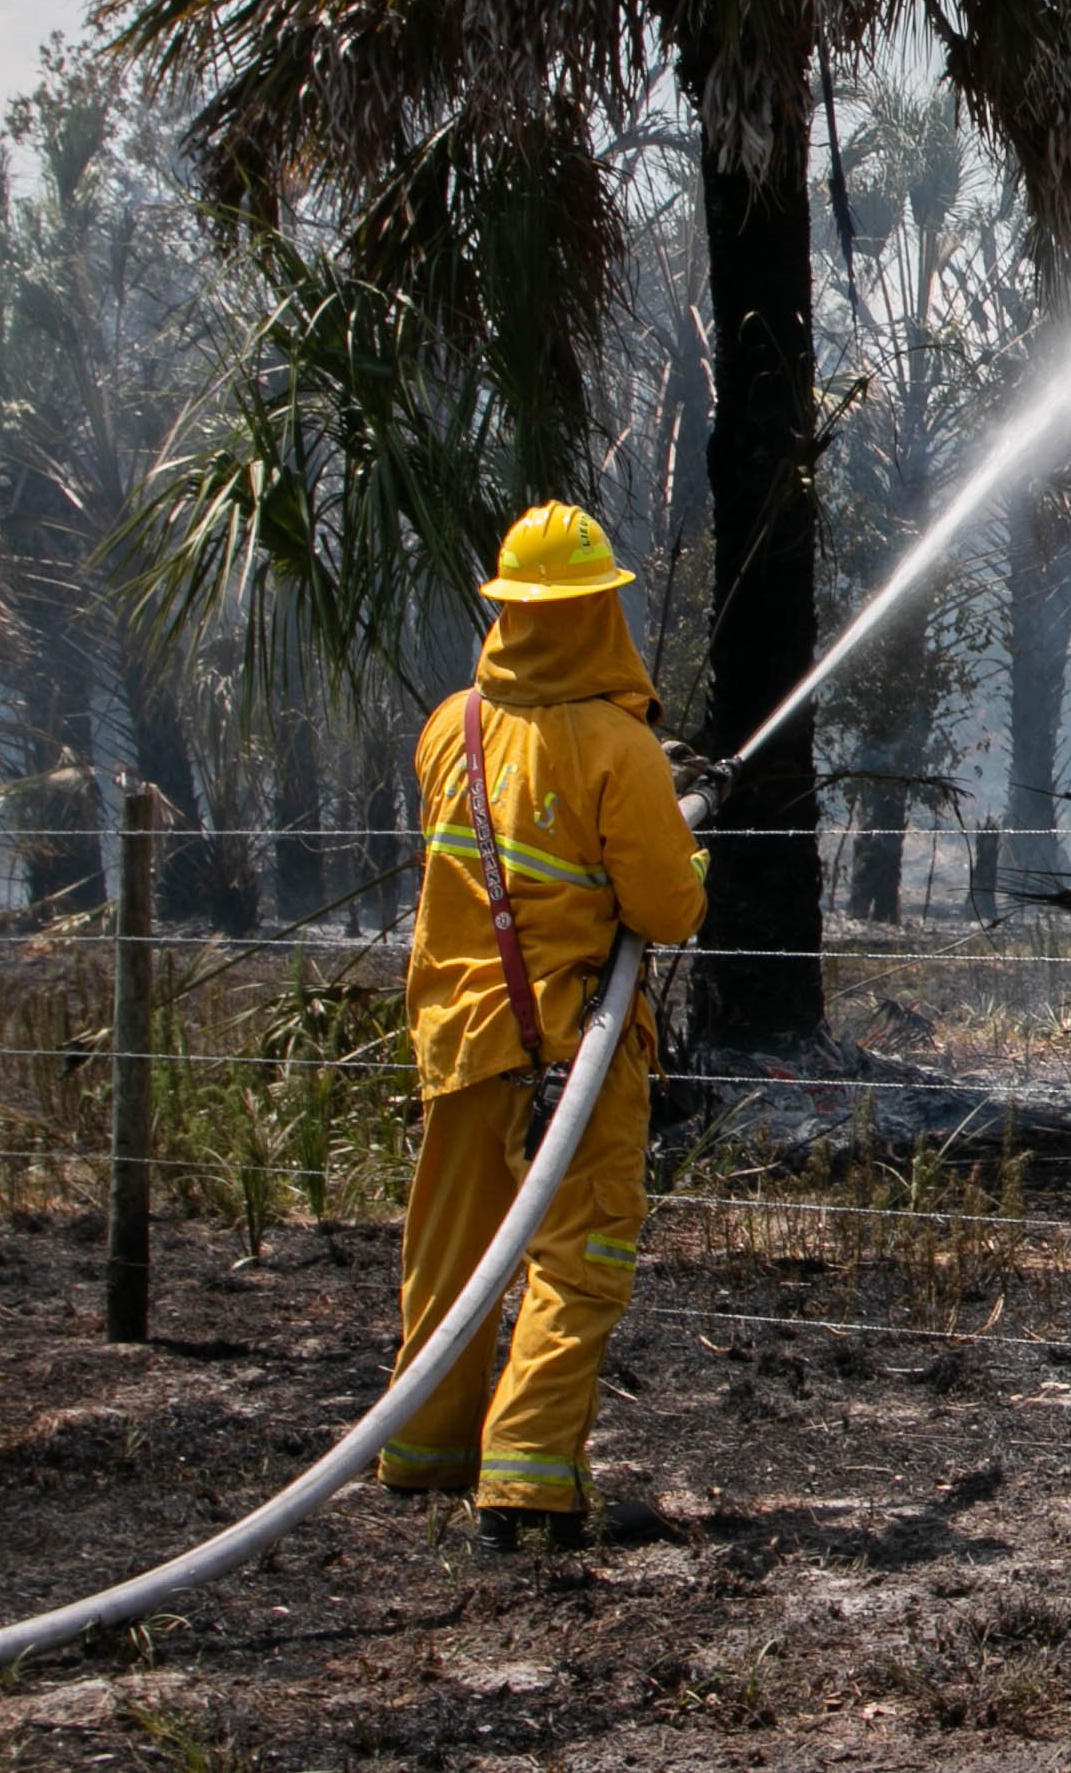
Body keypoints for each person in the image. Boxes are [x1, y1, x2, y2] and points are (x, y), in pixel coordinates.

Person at [380, 503, 706, 1552]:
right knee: (579, 1253)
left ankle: (423, 1451)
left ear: (510, 615)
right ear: (600, 613)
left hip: (460, 1036)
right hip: (576, 1046)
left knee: (452, 1253)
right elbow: (663, 912)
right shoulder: (620, 744)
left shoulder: (449, 726)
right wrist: (691, 853)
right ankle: (524, 1481)